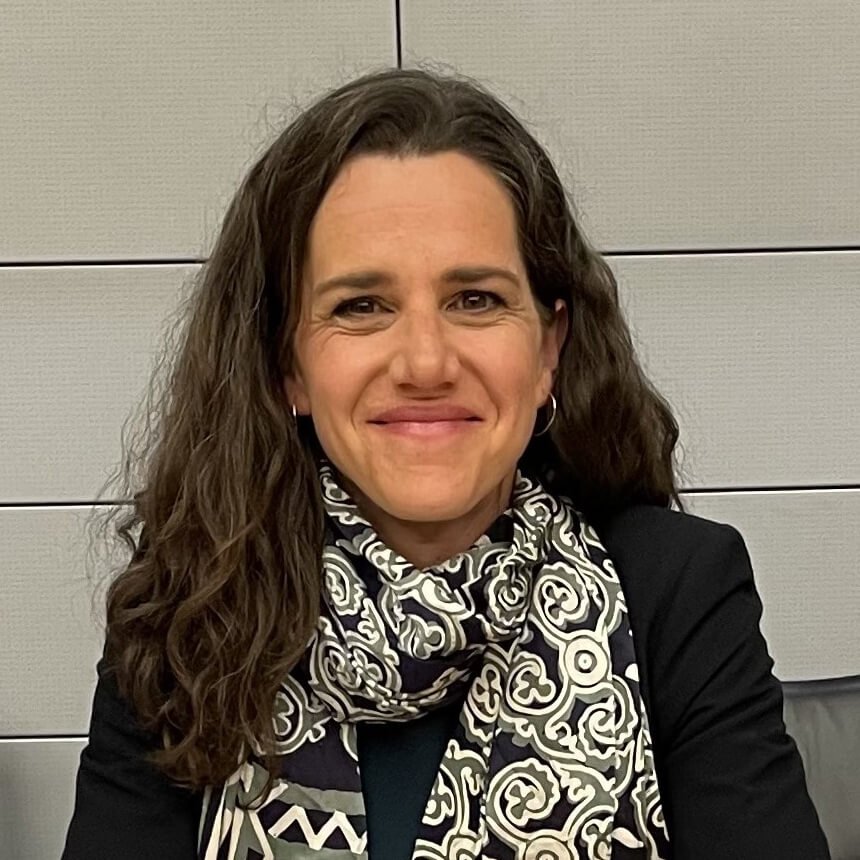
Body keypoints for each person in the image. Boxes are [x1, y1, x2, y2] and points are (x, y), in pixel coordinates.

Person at [62, 66, 830, 859]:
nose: (425, 362)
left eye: (476, 300)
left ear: (548, 351)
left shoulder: (678, 590)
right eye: (362, 306)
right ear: (288, 365)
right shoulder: (190, 604)